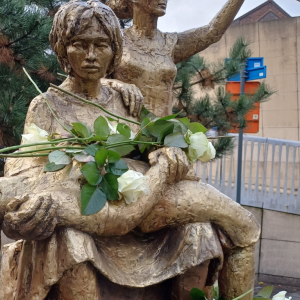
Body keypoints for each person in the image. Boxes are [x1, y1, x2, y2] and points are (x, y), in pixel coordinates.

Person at [0, 1, 259, 300]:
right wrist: (25, 216)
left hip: (141, 220)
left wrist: (167, 157)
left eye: (101, 45)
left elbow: (151, 151)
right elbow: (22, 177)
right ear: (62, 49)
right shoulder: (46, 106)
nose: (91, 56)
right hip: (88, 223)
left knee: (198, 231)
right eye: (79, 45)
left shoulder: (126, 103)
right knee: (71, 240)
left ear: (114, 52)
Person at [104, 0, 246, 117]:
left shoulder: (171, 43)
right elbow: (89, 83)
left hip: (163, 135)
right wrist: (117, 84)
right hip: (124, 135)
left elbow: (212, 32)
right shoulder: (116, 40)